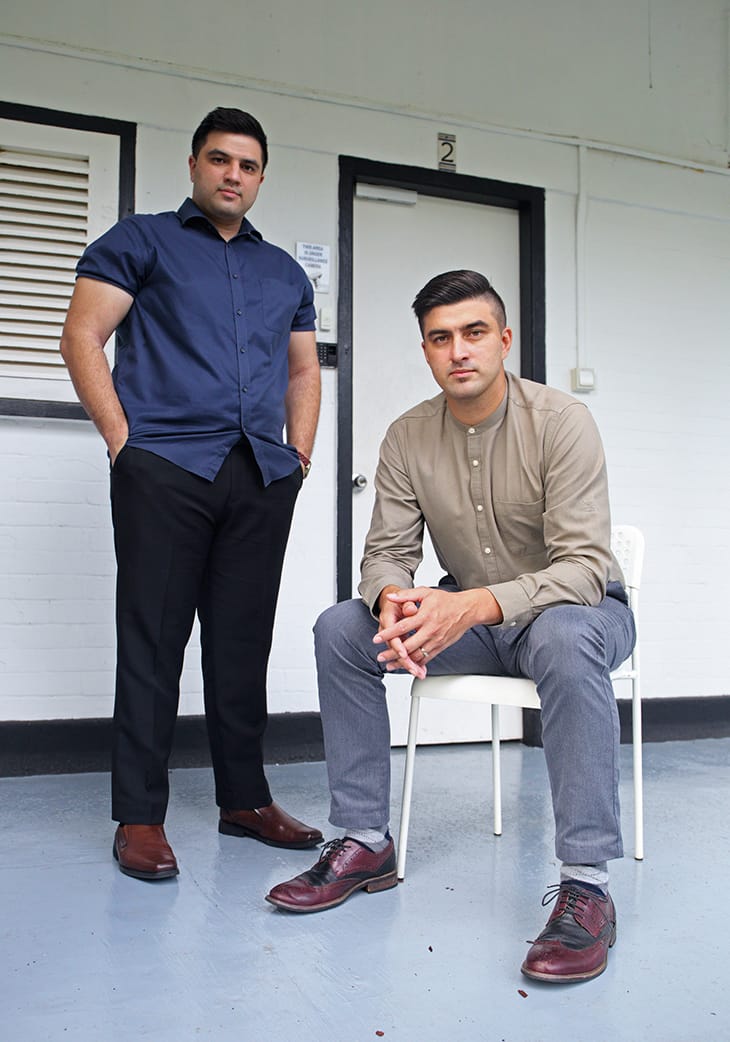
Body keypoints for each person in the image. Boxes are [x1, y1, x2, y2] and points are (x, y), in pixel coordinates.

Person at [266, 269, 636, 984]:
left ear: (503, 340)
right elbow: (385, 556)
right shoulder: (408, 436)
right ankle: (367, 841)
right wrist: (393, 604)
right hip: (470, 616)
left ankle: (587, 884)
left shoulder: (561, 422)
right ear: (427, 351)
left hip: (580, 616)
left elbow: (584, 568)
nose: (458, 351)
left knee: (561, 635)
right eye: (440, 339)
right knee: (340, 628)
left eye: (473, 334)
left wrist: (470, 604)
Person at [60, 107, 323, 881]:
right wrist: (122, 443)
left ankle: (244, 799)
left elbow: (304, 369)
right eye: (219, 159)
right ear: (194, 166)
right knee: (153, 641)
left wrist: (298, 455)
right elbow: (82, 335)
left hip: (259, 474)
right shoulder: (139, 241)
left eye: (247, 164)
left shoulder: (285, 273)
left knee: (243, 643)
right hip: (166, 468)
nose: (232, 174)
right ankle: (139, 817)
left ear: (261, 177)